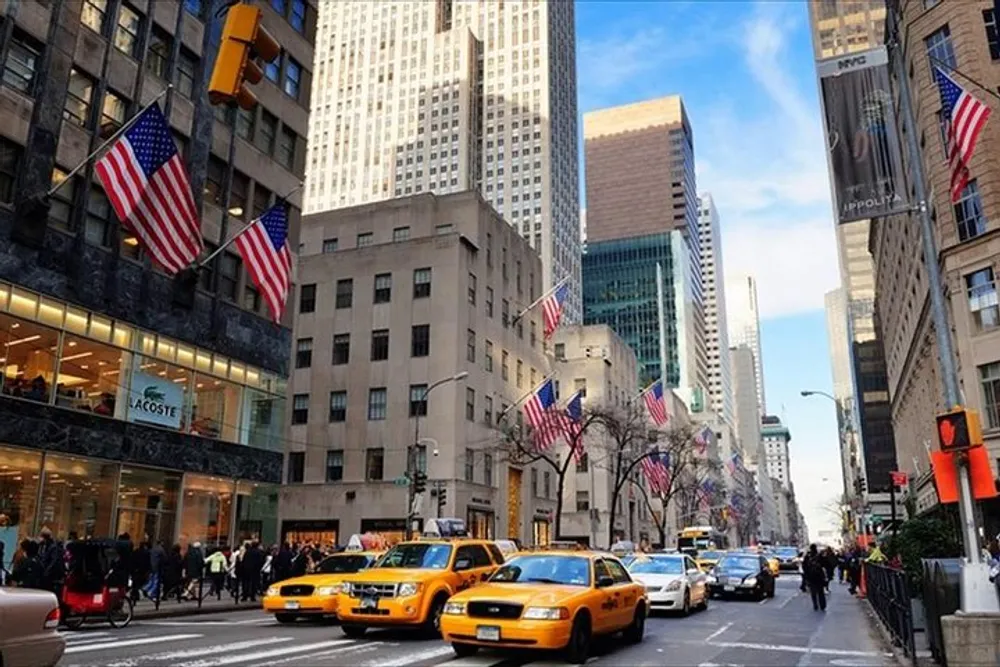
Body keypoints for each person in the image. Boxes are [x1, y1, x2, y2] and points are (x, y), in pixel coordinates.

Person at [802, 544, 828, 611]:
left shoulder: (808, 556)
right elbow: (825, 564)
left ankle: (815, 605)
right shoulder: (819, 556)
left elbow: (804, 566)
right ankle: (822, 605)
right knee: (820, 591)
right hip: (819, 576)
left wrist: (806, 574)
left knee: (813, 592)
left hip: (811, 576)